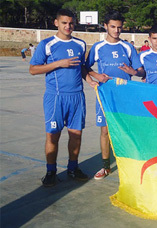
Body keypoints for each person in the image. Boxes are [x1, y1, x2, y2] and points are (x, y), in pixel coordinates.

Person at [29, 9, 96, 187]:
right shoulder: (47, 44)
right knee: (53, 136)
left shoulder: (80, 44)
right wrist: (59, 63)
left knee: (76, 135)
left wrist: (90, 80)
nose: (68, 26)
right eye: (64, 23)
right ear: (56, 23)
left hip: (77, 97)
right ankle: (51, 171)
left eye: (71, 23)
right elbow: (33, 69)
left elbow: (81, 67)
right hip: (56, 97)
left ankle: (73, 168)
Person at [85, 11, 143, 180]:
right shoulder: (98, 47)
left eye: (119, 27)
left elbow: (141, 71)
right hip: (105, 96)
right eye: (113, 27)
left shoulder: (128, 47)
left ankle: (130, 165)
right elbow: (85, 67)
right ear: (105, 26)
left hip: (125, 96)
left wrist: (133, 71)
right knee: (105, 131)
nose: (117, 30)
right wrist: (96, 77)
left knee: (127, 130)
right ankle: (105, 167)